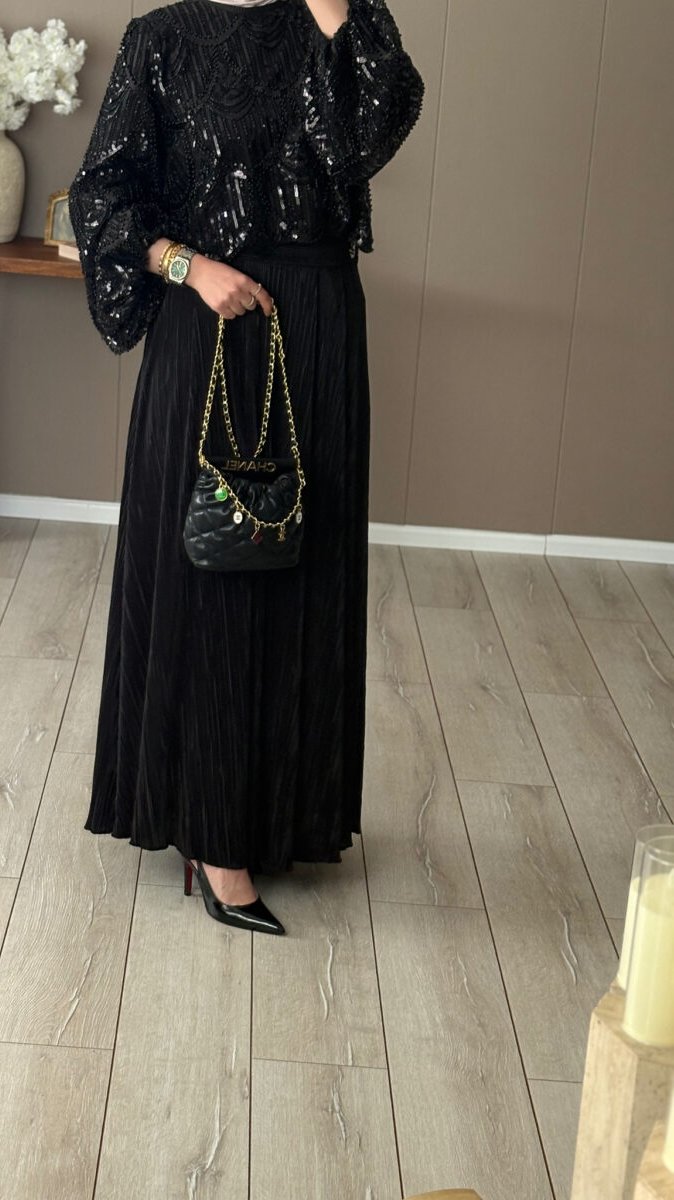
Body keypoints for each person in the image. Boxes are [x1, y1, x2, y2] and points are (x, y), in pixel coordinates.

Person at [67, 0, 424, 936]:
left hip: (320, 325)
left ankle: (284, 815)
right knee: (216, 563)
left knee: (306, 564)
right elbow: (103, 197)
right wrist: (191, 266)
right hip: (212, 323)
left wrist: (332, 11)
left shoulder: (343, 20)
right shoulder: (163, 37)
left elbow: (363, 140)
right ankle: (216, 837)